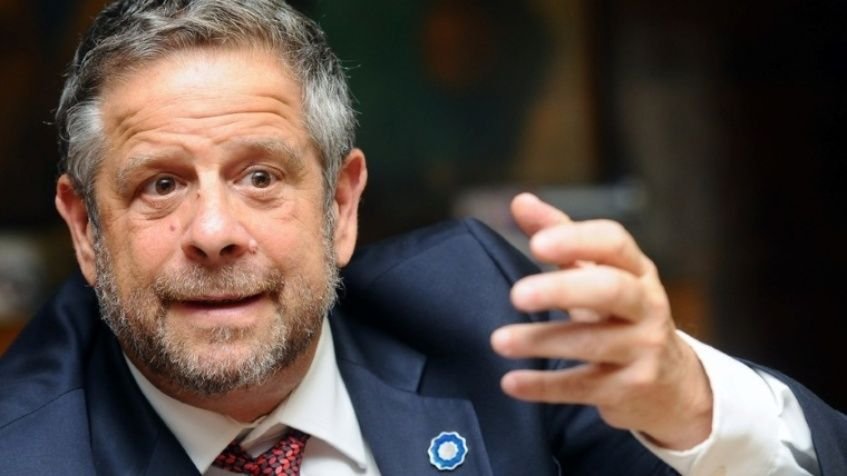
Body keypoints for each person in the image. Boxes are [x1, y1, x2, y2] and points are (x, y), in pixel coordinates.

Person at [0, 1, 844, 474]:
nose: (215, 233)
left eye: (261, 177)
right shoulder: (26, 449)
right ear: (86, 231)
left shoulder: (487, 318)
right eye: (160, 185)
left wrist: (688, 404)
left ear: (340, 207)